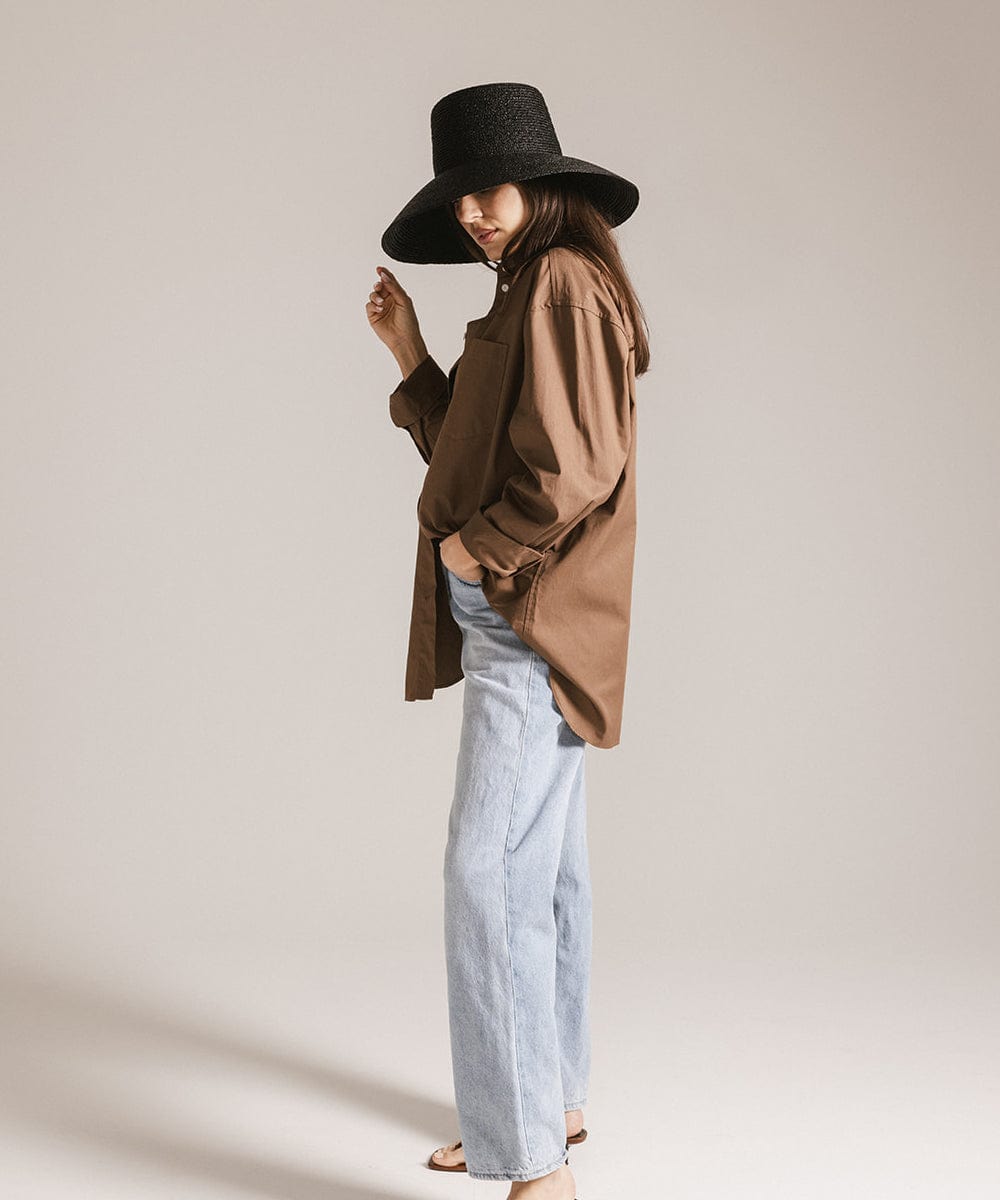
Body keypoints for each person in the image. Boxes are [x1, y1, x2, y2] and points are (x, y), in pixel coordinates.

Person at [366, 82, 649, 1200]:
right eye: (460, 199)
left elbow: (574, 470)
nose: (474, 213)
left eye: (487, 189)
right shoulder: (525, 288)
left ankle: (529, 1161)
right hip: (528, 609)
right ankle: (552, 1102)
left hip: (526, 617)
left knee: (487, 873)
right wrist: (410, 355)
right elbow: (474, 456)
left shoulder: (561, 288)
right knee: (544, 870)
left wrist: (476, 554)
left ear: (542, 184)